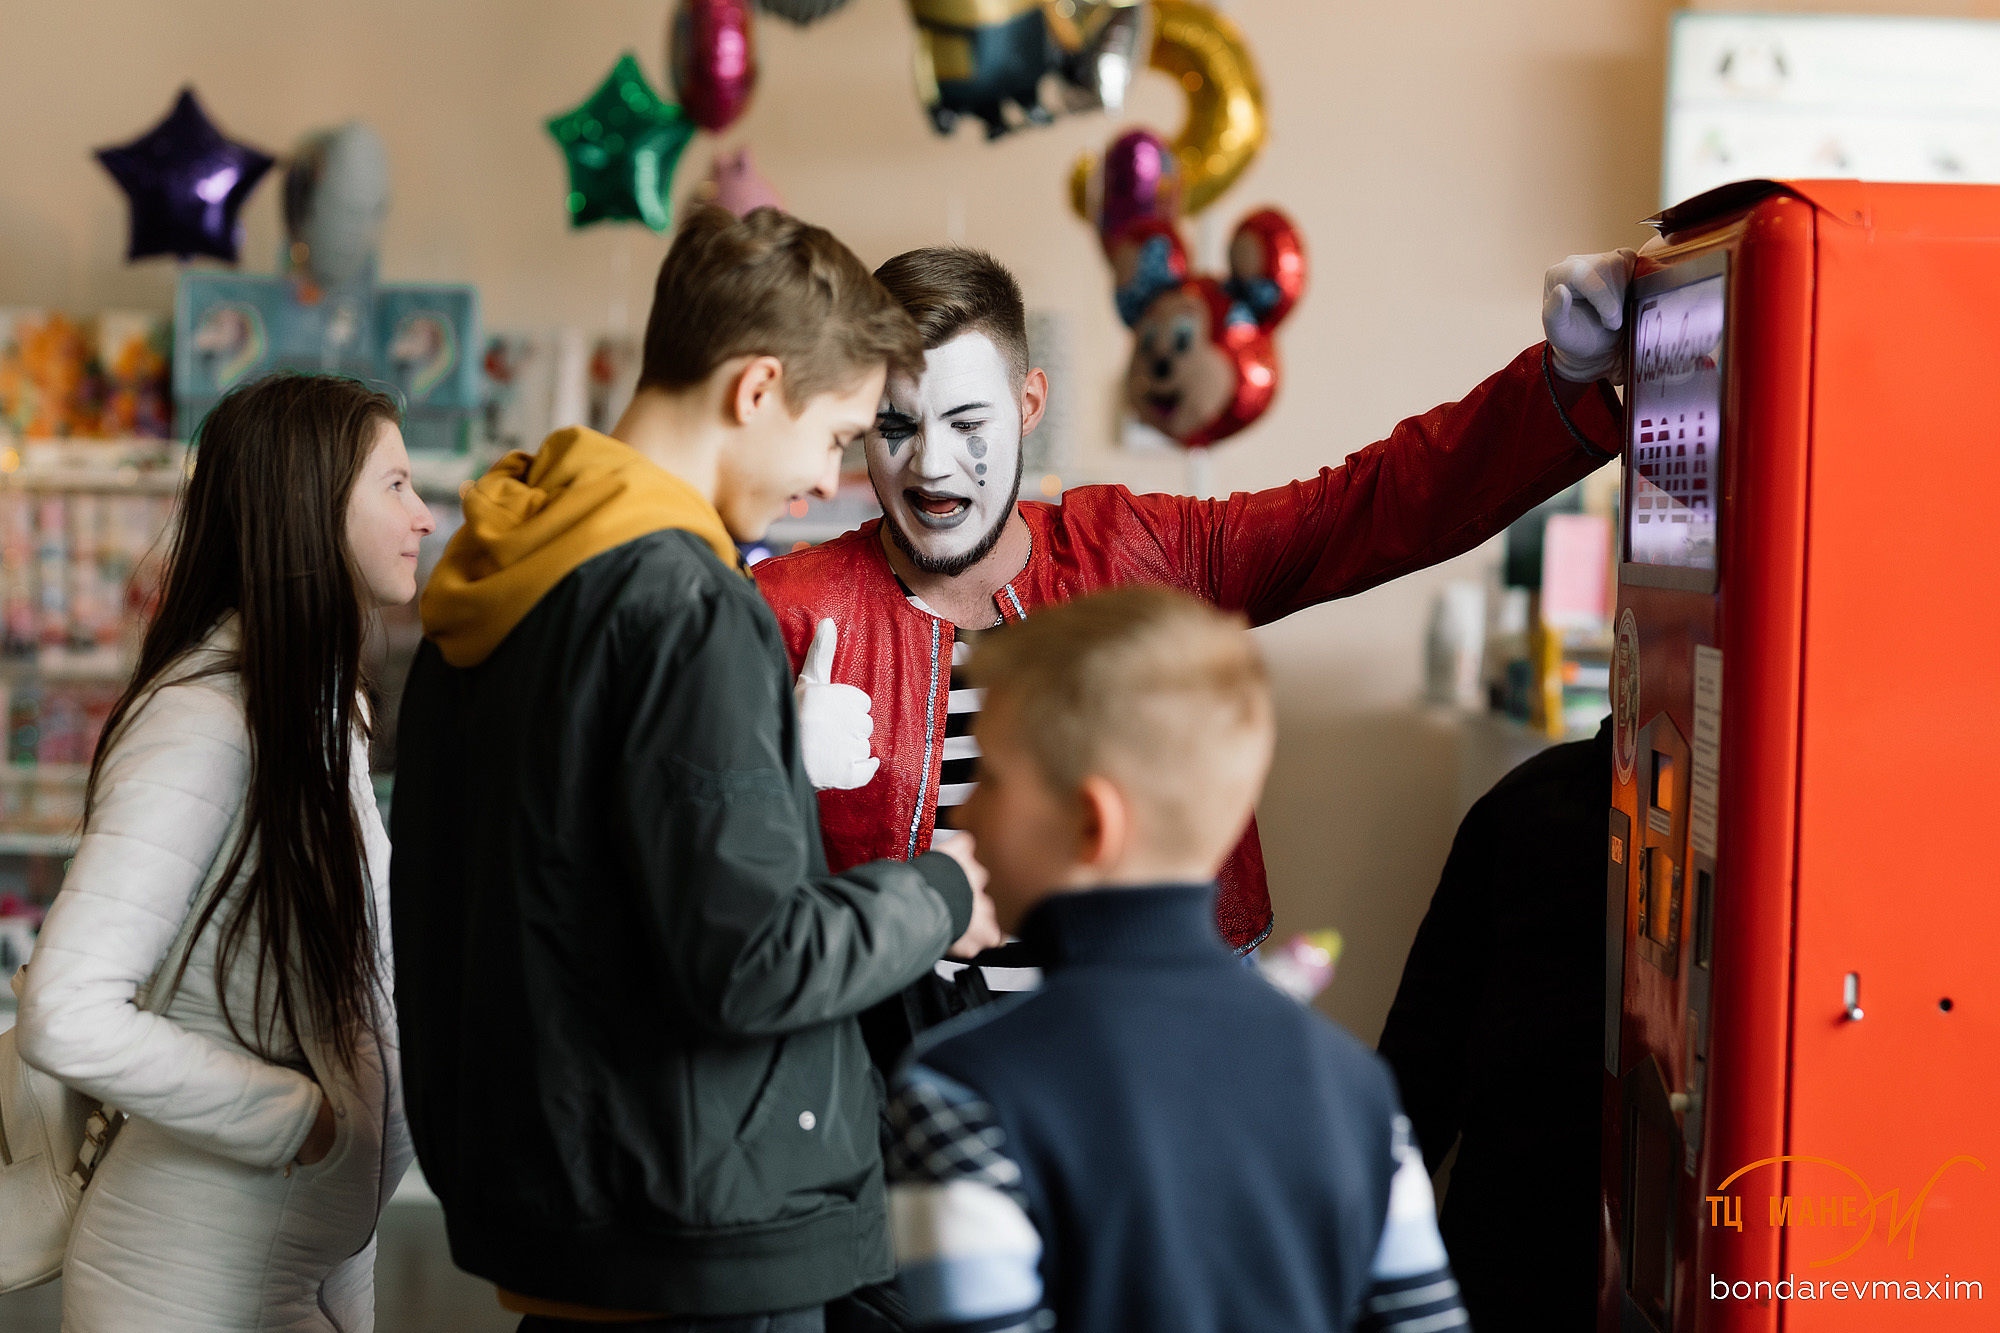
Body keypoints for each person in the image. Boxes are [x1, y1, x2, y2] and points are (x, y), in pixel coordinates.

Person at [389, 207, 1001, 1332]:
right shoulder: (683, 603)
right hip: (695, 1222)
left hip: (560, 1211)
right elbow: (755, 961)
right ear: (755, 388)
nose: (826, 483)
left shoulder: (489, 581)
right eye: (834, 435)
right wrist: (943, 889)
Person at [755, 245, 1637, 971]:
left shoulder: (1141, 553)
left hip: (1152, 1068)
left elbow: (1368, 505)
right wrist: (762, 783)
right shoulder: (786, 612)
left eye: (968, 423)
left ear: (1029, 408)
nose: (932, 467)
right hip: (909, 1103)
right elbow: (699, 911)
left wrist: (1561, 381)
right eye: (897, 428)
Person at [883, 585, 1467, 1333]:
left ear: (1093, 822)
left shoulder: (959, 1094)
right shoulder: (1354, 1087)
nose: (962, 810)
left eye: (991, 778)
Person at [15, 372, 434, 1332]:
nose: (425, 514)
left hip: (300, 1259)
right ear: (311, 502)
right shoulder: (203, 720)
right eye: (397, 485)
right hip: (184, 1272)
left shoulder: (321, 711)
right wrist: (302, 1121)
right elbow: (67, 1012)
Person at [1377, 717, 1612, 1333]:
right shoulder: (1525, 808)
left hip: (1513, 1229)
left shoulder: (1526, 801)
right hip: (1530, 1231)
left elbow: (1422, 1057)